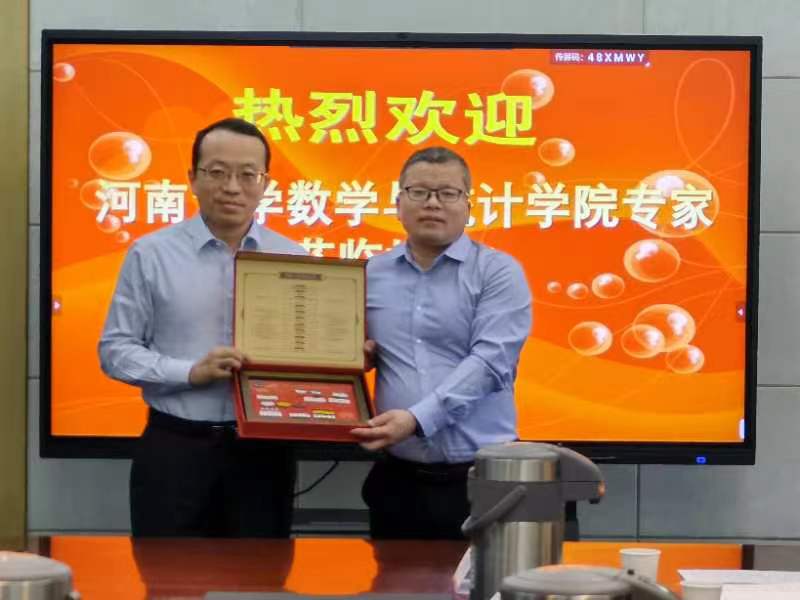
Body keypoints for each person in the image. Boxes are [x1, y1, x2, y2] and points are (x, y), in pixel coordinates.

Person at [99, 117, 304, 537]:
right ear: (192, 178)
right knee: (167, 571)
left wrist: (342, 360)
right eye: (217, 172)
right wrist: (190, 372)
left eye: (248, 175)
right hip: (176, 448)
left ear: (265, 183)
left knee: (260, 572)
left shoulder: (294, 258)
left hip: (264, 454)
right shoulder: (151, 254)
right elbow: (115, 351)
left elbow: (308, 353)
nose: (232, 187)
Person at [351, 147, 533, 539]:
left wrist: (416, 419)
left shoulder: (498, 272)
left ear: (468, 206)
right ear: (398, 204)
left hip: (484, 482)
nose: (432, 203)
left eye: (448, 193)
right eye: (419, 192)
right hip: (397, 482)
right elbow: (350, 348)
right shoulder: (370, 273)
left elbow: (490, 362)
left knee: (486, 578)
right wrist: (351, 357)